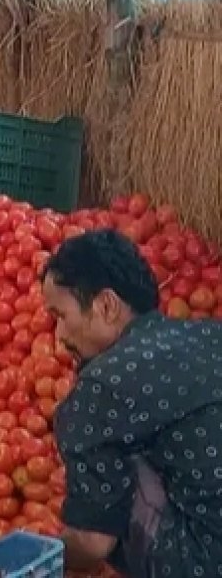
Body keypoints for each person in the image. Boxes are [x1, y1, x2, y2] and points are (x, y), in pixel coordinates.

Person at [42, 229, 222, 576]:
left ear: (106, 305)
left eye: (60, 316)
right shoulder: (209, 334)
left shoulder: (100, 389)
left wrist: (39, 557)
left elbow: (93, 542)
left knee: (113, 467)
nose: (59, 335)